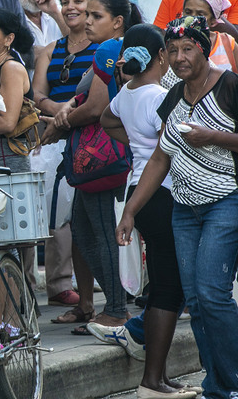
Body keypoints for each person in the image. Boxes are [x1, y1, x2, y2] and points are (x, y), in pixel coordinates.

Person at [116, 14, 238, 399]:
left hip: (225, 202)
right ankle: (217, 386)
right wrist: (131, 210)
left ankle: (233, 379)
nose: (180, 57)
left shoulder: (229, 85)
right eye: (173, 50)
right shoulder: (172, 96)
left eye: (188, 48)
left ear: (204, 49)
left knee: (213, 294)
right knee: (197, 302)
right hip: (184, 209)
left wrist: (213, 136)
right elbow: (158, 159)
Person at [98, 25, 196, 399]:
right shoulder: (161, 94)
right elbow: (169, 149)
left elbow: (107, 120)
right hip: (162, 192)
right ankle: (153, 381)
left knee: (162, 286)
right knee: (168, 290)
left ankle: (159, 379)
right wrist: (154, 146)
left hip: (137, 190)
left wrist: (138, 143)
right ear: (160, 56)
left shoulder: (128, 92)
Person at [49, 0, 143, 334]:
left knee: (102, 235)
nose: (87, 21)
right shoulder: (110, 51)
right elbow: (81, 96)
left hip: (105, 158)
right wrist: (66, 109)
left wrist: (61, 121)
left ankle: (117, 309)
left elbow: (95, 107)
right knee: (87, 232)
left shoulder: (110, 49)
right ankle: (118, 304)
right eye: (86, 14)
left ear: (118, 22)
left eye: (96, 16)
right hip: (103, 159)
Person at [32, 0, 105, 311]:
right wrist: (60, 110)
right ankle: (80, 301)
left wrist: (67, 113)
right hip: (52, 139)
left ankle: (95, 299)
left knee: (86, 224)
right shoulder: (51, 50)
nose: (71, 8)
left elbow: (94, 97)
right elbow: (37, 94)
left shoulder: (101, 50)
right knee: (62, 221)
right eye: (66, 2)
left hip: (89, 140)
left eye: (79, 2)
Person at [0, 7, 37, 287]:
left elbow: (8, 122)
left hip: (8, 162)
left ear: (8, 39)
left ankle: (13, 317)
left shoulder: (10, 68)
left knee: (6, 241)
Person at [180, 0, 238, 72]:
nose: (193, 18)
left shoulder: (227, 43)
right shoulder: (174, 42)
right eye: (188, 12)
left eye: (200, 15)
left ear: (213, 20)